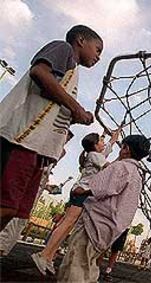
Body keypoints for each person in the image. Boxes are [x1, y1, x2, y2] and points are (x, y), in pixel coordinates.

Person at [0, 25, 102, 231]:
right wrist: (76, 108)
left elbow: (50, 107)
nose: (98, 57)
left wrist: (75, 116)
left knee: (15, 209)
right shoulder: (63, 49)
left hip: (37, 148)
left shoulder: (72, 74)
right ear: (81, 40)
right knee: (5, 204)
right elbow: (39, 72)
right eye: (97, 49)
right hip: (21, 139)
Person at [56, 134, 150, 282]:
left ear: (126, 149)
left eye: (123, 147)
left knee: (77, 260)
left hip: (96, 221)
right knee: (88, 262)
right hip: (111, 226)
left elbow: (103, 188)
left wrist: (83, 190)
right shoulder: (137, 175)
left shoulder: (121, 166)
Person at [32, 130, 120, 275]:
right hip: (81, 192)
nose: (103, 143)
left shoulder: (94, 155)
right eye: (101, 141)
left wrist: (114, 136)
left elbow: (108, 146)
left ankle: (49, 256)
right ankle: (43, 254)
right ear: (95, 145)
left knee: (68, 226)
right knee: (67, 223)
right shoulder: (94, 155)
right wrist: (122, 160)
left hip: (80, 192)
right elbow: (109, 167)